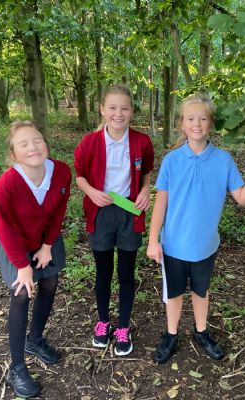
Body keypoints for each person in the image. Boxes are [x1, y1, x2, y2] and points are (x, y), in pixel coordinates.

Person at [147, 93, 245, 364]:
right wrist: (153, 240)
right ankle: (171, 335)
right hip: (173, 245)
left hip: (205, 246)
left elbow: (242, 198)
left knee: (201, 291)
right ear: (182, 123)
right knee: (174, 293)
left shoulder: (223, 160)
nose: (197, 124)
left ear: (211, 123)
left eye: (203, 119)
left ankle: (201, 332)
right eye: (191, 119)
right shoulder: (172, 160)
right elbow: (161, 204)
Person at [0, 121, 71, 398]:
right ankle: (16, 368)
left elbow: (59, 210)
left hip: (45, 237)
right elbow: (4, 228)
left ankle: (35, 339)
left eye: (37, 140)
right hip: (15, 241)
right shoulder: (7, 184)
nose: (33, 147)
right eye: (23, 143)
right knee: (21, 293)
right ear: (13, 153)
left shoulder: (61, 171)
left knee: (50, 282)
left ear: (45, 143)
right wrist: (23, 267)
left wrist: (48, 245)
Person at [74, 84, 154, 356]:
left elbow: (146, 172)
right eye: (112, 108)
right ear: (102, 109)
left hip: (129, 212)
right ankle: (103, 322)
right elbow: (80, 175)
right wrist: (91, 192)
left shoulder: (141, 142)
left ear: (131, 111)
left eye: (124, 108)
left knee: (126, 273)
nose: (118, 114)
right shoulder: (90, 142)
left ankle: (123, 327)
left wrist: (145, 190)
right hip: (101, 213)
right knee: (104, 272)